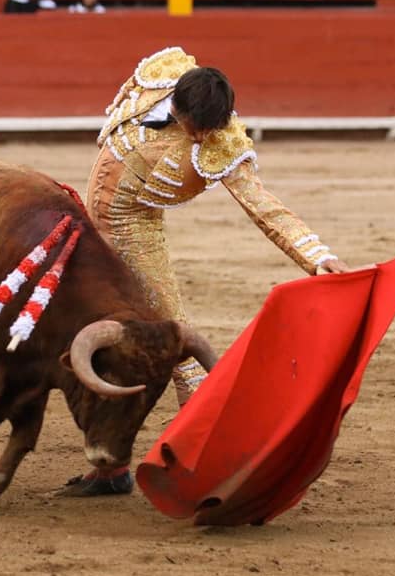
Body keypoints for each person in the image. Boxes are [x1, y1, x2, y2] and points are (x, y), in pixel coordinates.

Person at [60, 47, 351, 497]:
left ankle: (206, 462)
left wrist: (316, 256)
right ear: (177, 106)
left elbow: (264, 208)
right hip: (87, 228)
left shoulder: (223, 143)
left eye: (209, 131)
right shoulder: (161, 76)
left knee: (180, 349)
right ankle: (111, 467)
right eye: (196, 127)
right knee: (73, 337)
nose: (200, 138)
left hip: (136, 233)